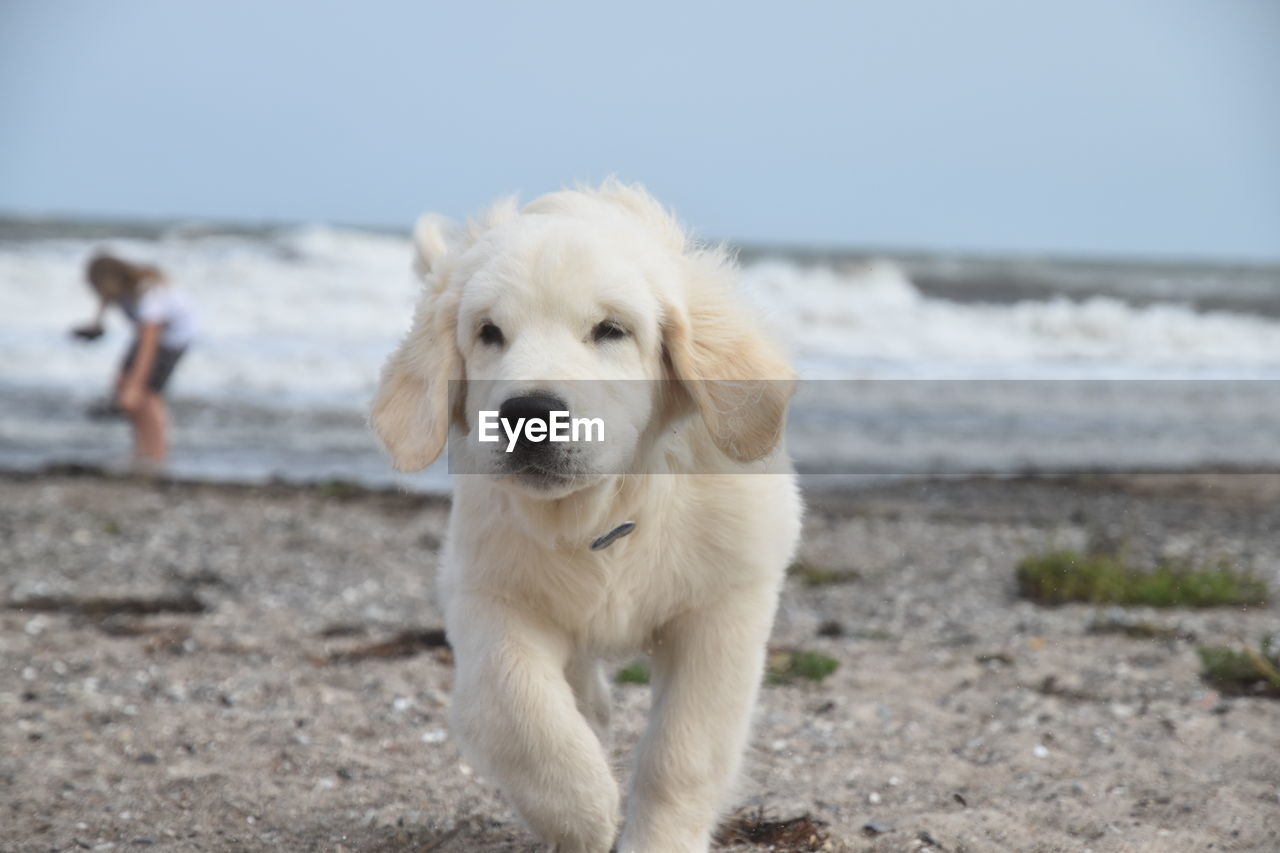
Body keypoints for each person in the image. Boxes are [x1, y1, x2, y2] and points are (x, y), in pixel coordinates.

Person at [71, 253, 196, 469]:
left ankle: (156, 455)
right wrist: (96, 325)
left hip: (172, 338)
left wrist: (135, 387)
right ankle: (140, 450)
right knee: (121, 383)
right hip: (148, 337)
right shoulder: (118, 290)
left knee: (147, 395)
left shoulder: (148, 294)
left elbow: (149, 346)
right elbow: (105, 300)